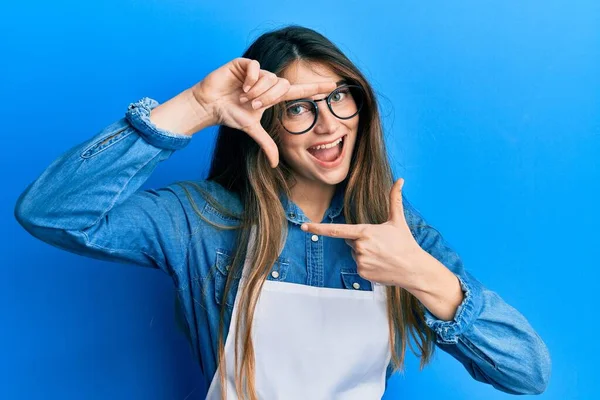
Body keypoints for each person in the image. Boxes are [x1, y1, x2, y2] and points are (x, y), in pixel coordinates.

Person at [14, 25, 551, 399]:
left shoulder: (399, 234)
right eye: (298, 108)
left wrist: (426, 277)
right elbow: (50, 212)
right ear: (263, 121)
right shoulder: (200, 222)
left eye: (341, 97)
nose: (328, 125)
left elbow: (527, 372)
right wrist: (196, 107)